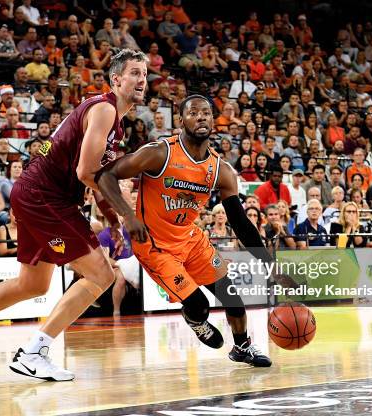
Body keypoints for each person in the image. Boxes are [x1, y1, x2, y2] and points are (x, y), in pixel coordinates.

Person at [0, 49, 149, 381]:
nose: (141, 79)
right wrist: (127, 214)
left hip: (38, 195)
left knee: (32, 283)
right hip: (45, 197)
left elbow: (97, 178)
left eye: (145, 74)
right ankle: (34, 351)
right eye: (134, 72)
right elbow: (85, 171)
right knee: (101, 275)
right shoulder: (105, 109)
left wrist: (112, 221)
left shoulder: (114, 124)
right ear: (116, 79)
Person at [98, 95, 273, 367]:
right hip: (154, 244)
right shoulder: (158, 153)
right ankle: (195, 319)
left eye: (206, 113)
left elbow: (240, 222)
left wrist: (270, 264)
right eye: (193, 113)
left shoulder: (221, 170)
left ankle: (242, 347)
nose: (201, 117)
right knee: (199, 305)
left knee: (233, 298)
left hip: (190, 239)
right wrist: (128, 215)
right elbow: (106, 176)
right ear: (181, 121)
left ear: (214, 121)